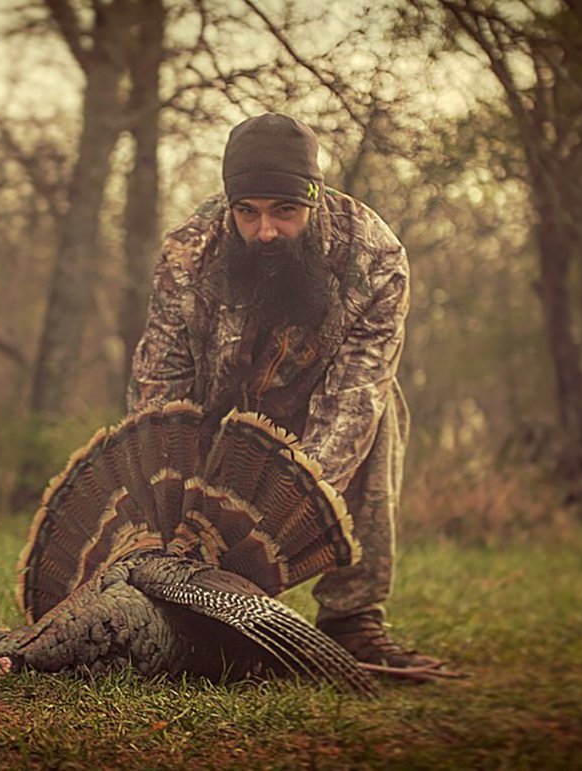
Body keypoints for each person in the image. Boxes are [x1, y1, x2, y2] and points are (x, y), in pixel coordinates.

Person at [127, 113, 446, 680]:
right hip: (218, 408)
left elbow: (356, 395)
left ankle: (353, 620)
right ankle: (181, 602)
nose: (265, 231)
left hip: (321, 401)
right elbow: (160, 383)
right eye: (247, 212)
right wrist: (167, 516)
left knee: (383, 409)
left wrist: (283, 522)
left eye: (284, 212)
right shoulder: (188, 251)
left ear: (315, 199)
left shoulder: (374, 256)